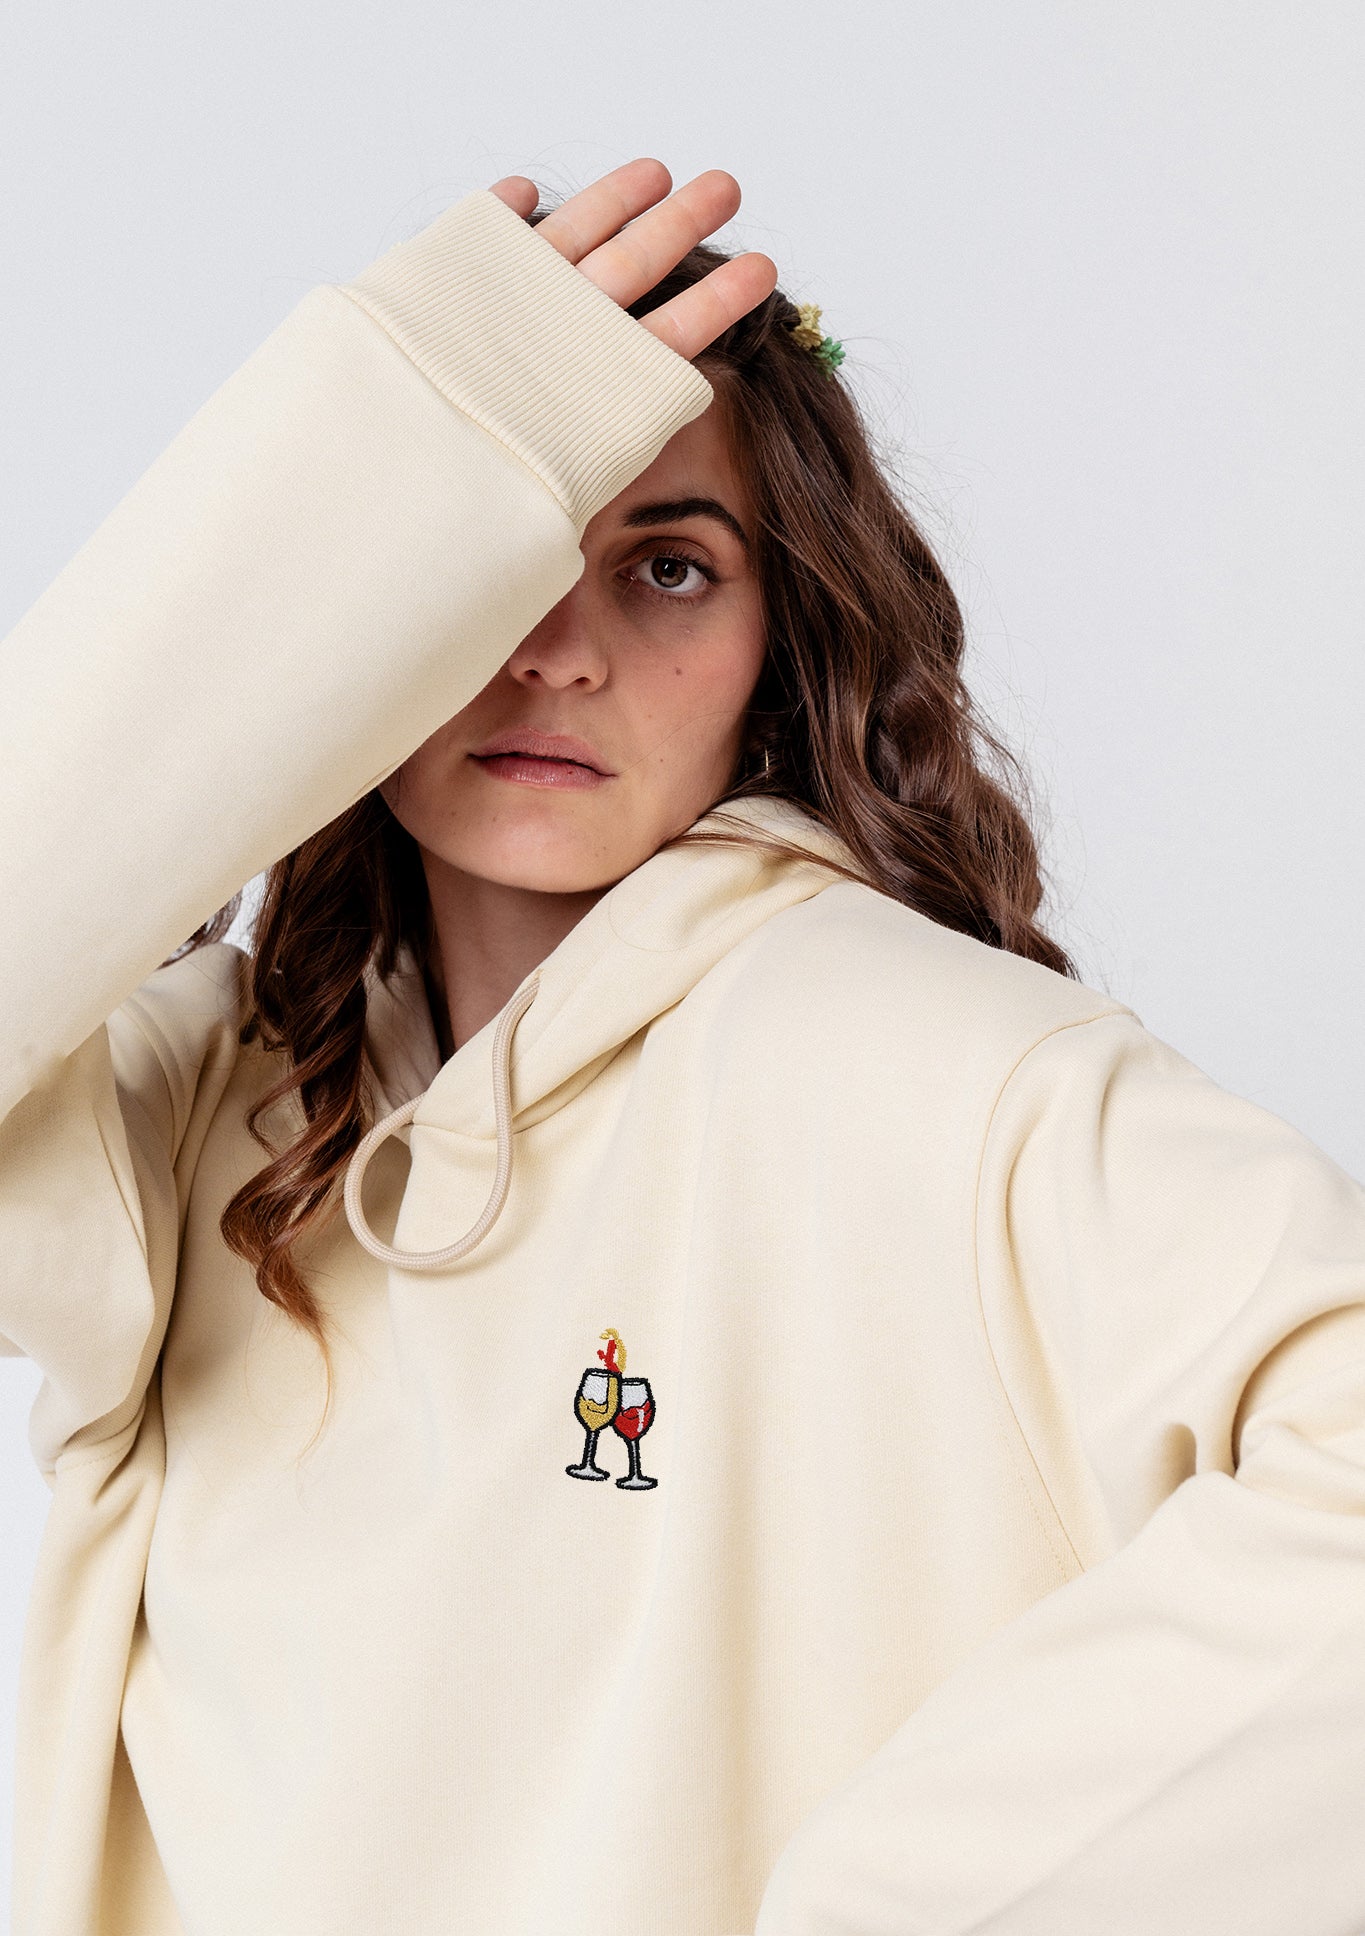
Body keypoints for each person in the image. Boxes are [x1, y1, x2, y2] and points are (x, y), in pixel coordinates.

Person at [1, 156, 1362, 1936]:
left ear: (778, 640)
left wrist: (892, 1904)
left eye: (665, 568)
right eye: (485, 567)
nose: (554, 653)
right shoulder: (192, 1106)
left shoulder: (946, 1076)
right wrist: (370, 460)